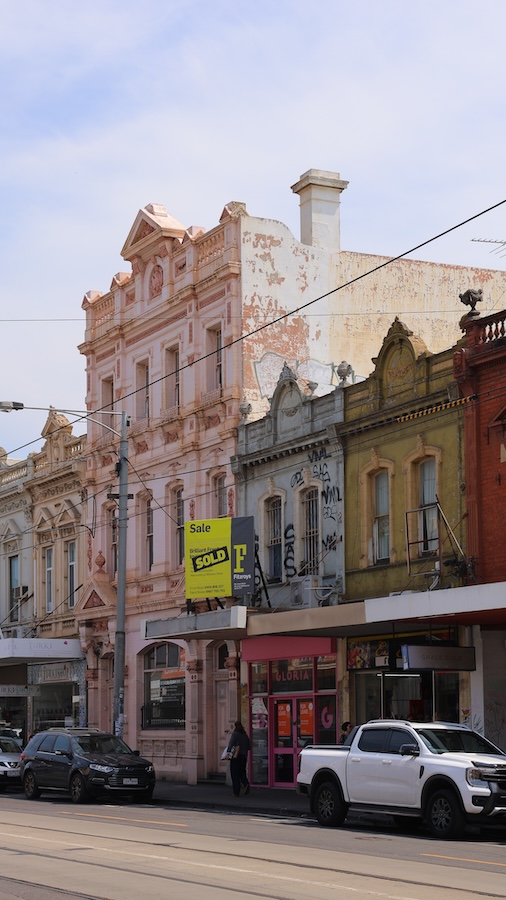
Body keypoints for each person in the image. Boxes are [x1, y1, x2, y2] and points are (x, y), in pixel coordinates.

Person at [227, 720, 251, 797]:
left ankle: (236, 792)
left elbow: (231, 744)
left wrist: (228, 752)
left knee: (235, 774)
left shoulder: (235, 734)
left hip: (236, 757)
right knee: (242, 772)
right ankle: (246, 783)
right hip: (244, 756)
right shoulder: (245, 735)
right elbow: (249, 746)